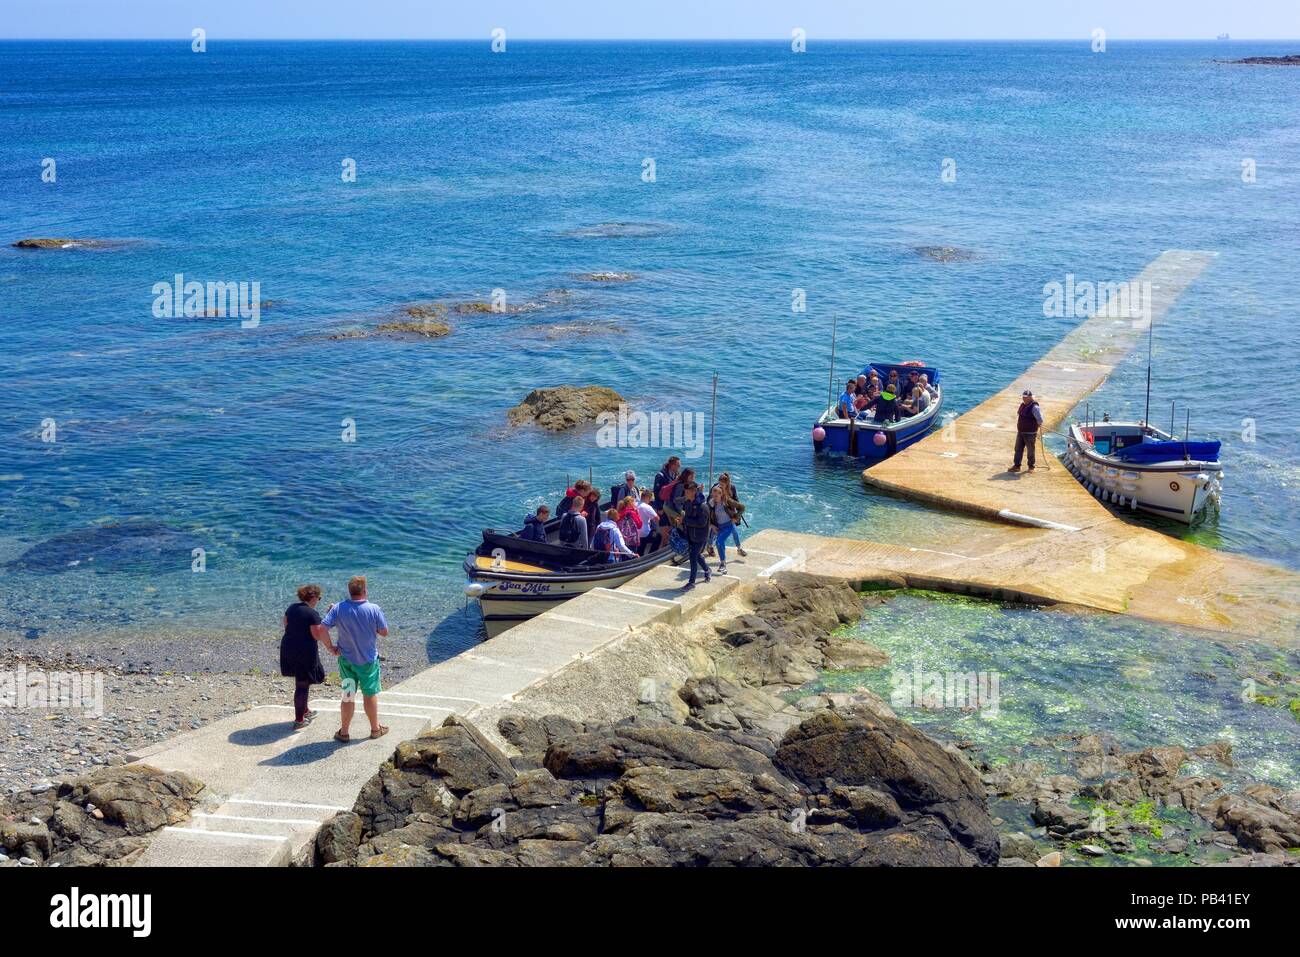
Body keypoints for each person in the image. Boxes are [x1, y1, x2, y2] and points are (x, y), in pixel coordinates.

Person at [313, 576, 389, 742]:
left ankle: (345, 732)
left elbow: (322, 629)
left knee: (348, 695)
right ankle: (375, 729)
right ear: (365, 591)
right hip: (368, 661)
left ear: (350, 591)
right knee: (369, 695)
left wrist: (330, 648)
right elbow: (384, 632)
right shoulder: (374, 609)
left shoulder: (338, 608)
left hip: (346, 660)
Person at [280, 584, 329, 730]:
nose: (318, 600)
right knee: (302, 684)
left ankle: (305, 710)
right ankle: (299, 720)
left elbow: (286, 624)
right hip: (304, 651)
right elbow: (317, 636)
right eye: (319, 598)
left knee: (302, 681)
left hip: (288, 647)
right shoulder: (312, 614)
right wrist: (326, 621)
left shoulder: (292, 608)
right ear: (313, 597)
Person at [680, 482, 712, 588]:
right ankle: (707, 570)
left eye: (687, 491)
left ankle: (691, 582)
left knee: (693, 556)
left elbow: (701, 523)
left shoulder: (703, 507)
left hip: (700, 537)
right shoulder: (688, 503)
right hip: (690, 535)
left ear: (694, 492)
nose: (685, 493)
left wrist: (685, 520)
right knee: (697, 556)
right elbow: (687, 517)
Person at [711, 472, 747, 560]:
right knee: (713, 531)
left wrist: (736, 516)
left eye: (722, 484)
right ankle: (710, 547)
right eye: (719, 483)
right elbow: (711, 497)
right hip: (717, 513)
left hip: (729, 513)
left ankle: (739, 548)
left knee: (734, 531)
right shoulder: (715, 487)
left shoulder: (732, 488)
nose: (720, 485)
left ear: (727, 483)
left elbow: (736, 500)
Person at [1010, 389, 1043, 472]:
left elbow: (1040, 420)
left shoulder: (1035, 407)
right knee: (1018, 449)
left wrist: (1036, 427)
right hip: (1021, 432)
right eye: (1023, 397)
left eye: (1026, 397)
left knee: (1030, 450)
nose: (1024, 399)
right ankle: (1017, 466)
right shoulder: (1023, 405)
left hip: (1030, 433)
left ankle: (1031, 467)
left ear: (1030, 397)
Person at [635, 489, 659, 555]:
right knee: (658, 537)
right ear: (647, 497)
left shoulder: (634, 504)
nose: (650, 501)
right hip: (644, 533)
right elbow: (657, 519)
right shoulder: (647, 507)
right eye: (650, 498)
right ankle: (651, 554)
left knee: (640, 548)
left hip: (634, 532)